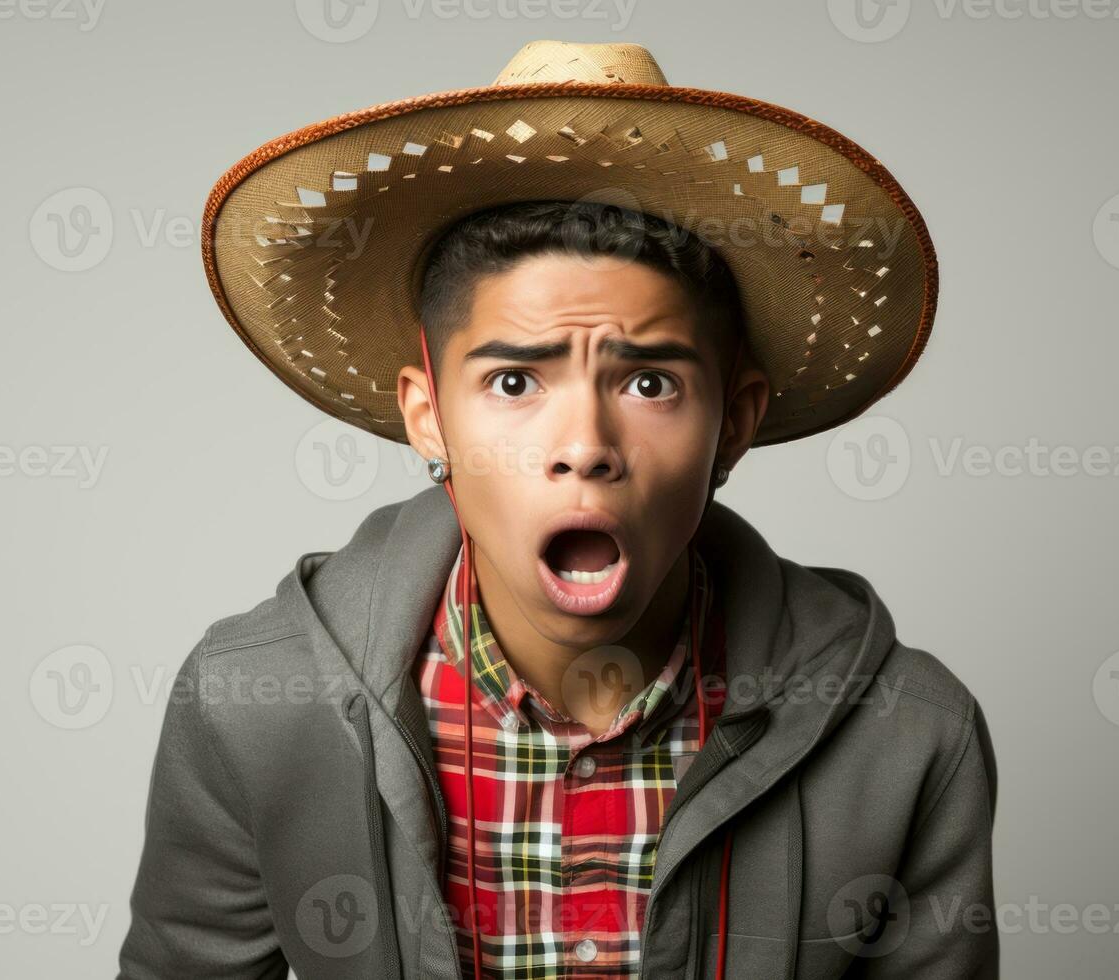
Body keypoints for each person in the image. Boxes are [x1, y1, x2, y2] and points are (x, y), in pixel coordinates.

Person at [118, 40, 998, 980]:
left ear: (733, 426)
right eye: (511, 381)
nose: (584, 443)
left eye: (650, 381)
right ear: (428, 417)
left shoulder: (907, 734)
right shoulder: (253, 707)